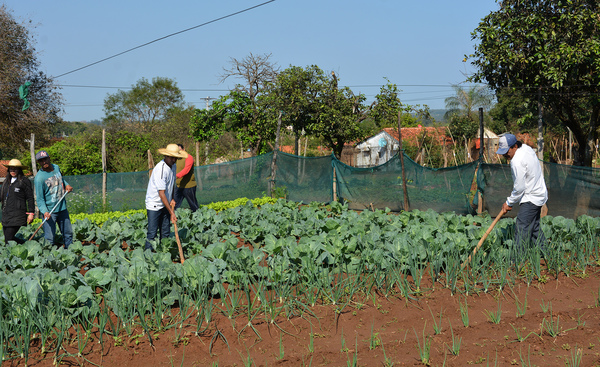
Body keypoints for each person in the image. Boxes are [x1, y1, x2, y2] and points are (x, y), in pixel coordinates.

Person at [496, 133, 548, 254]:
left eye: (506, 151)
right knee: (534, 227)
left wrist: (509, 202)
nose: (504, 154)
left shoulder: (517, 161)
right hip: (539, 192)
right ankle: (546, 253)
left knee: (521, 226)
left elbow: (519, 187)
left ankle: (517, 260)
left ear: (514, 146)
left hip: (532, 196)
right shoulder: (526, 148)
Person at [145, 144, 186, 250]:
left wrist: (172, 198)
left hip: (165, 203)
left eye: (175, 157)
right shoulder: (161, 170)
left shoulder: (173, 166)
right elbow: (161, 193)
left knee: (166, 231)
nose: (174, 159)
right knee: (152, 233)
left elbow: (171, 184)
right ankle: (147, 258)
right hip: (154, 204)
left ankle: (164, 254)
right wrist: (172, 212)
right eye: (171, 157)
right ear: (166, 156)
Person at [34, 150, 74, 248]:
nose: (44, 162)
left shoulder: (56, 167)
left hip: (62, 208)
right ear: (38, 162)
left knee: (68, 233)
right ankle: (49, 260)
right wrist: (45, 211)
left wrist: (67, 184)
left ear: (49, 158)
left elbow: (61, 179)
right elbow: (40, 199)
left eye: (45, 159)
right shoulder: (39, 178)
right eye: (41, 160)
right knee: (50, 238)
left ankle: (69, 253)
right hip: (50, 212)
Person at [1, 159, 35, 244]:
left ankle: (24, 247)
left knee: (8, 239)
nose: (13, 171)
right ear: (8, 170)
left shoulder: (24, 181)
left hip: (17, 215)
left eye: (15, 169)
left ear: (19, 170)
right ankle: (25, 245)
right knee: (8, 239)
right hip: (6, 214)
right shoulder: (6, 182)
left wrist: (31, 213)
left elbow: (30, 198)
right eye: (11, 169)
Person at [174, 143, 199, 212]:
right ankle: (172, 219)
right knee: (174, 205)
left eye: (180, 150)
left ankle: (198, 219)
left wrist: (176, 176)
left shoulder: (189, 157)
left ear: (184, 149)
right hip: (179, 186)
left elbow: (186, 170)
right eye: (177, 151)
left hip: (189, 186)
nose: (179, 152)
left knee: (193, 206)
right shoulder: (176, 159)